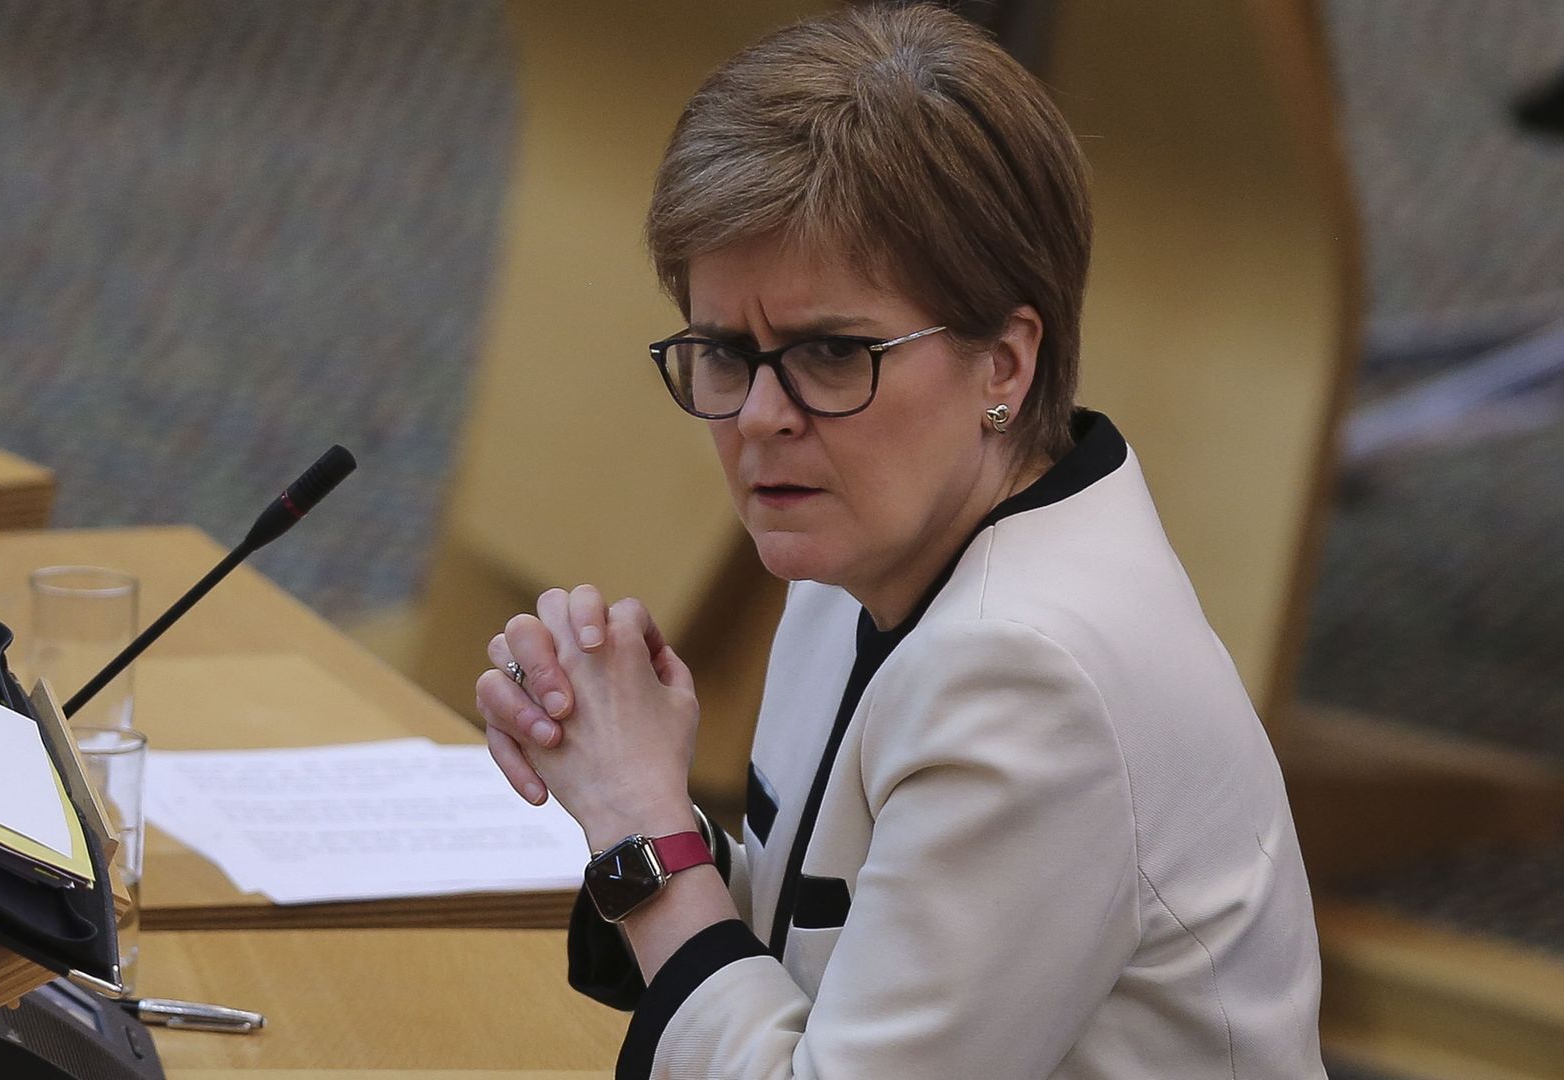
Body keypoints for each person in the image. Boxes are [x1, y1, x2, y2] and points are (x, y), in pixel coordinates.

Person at [474, 5, 1325, 1077]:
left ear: (1006, 365)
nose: (758, 418)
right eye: (725, 353)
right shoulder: (867, 544)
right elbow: (835, 937)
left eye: (833, 352)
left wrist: (642, 829)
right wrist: (609, 768)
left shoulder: (1028, 676)